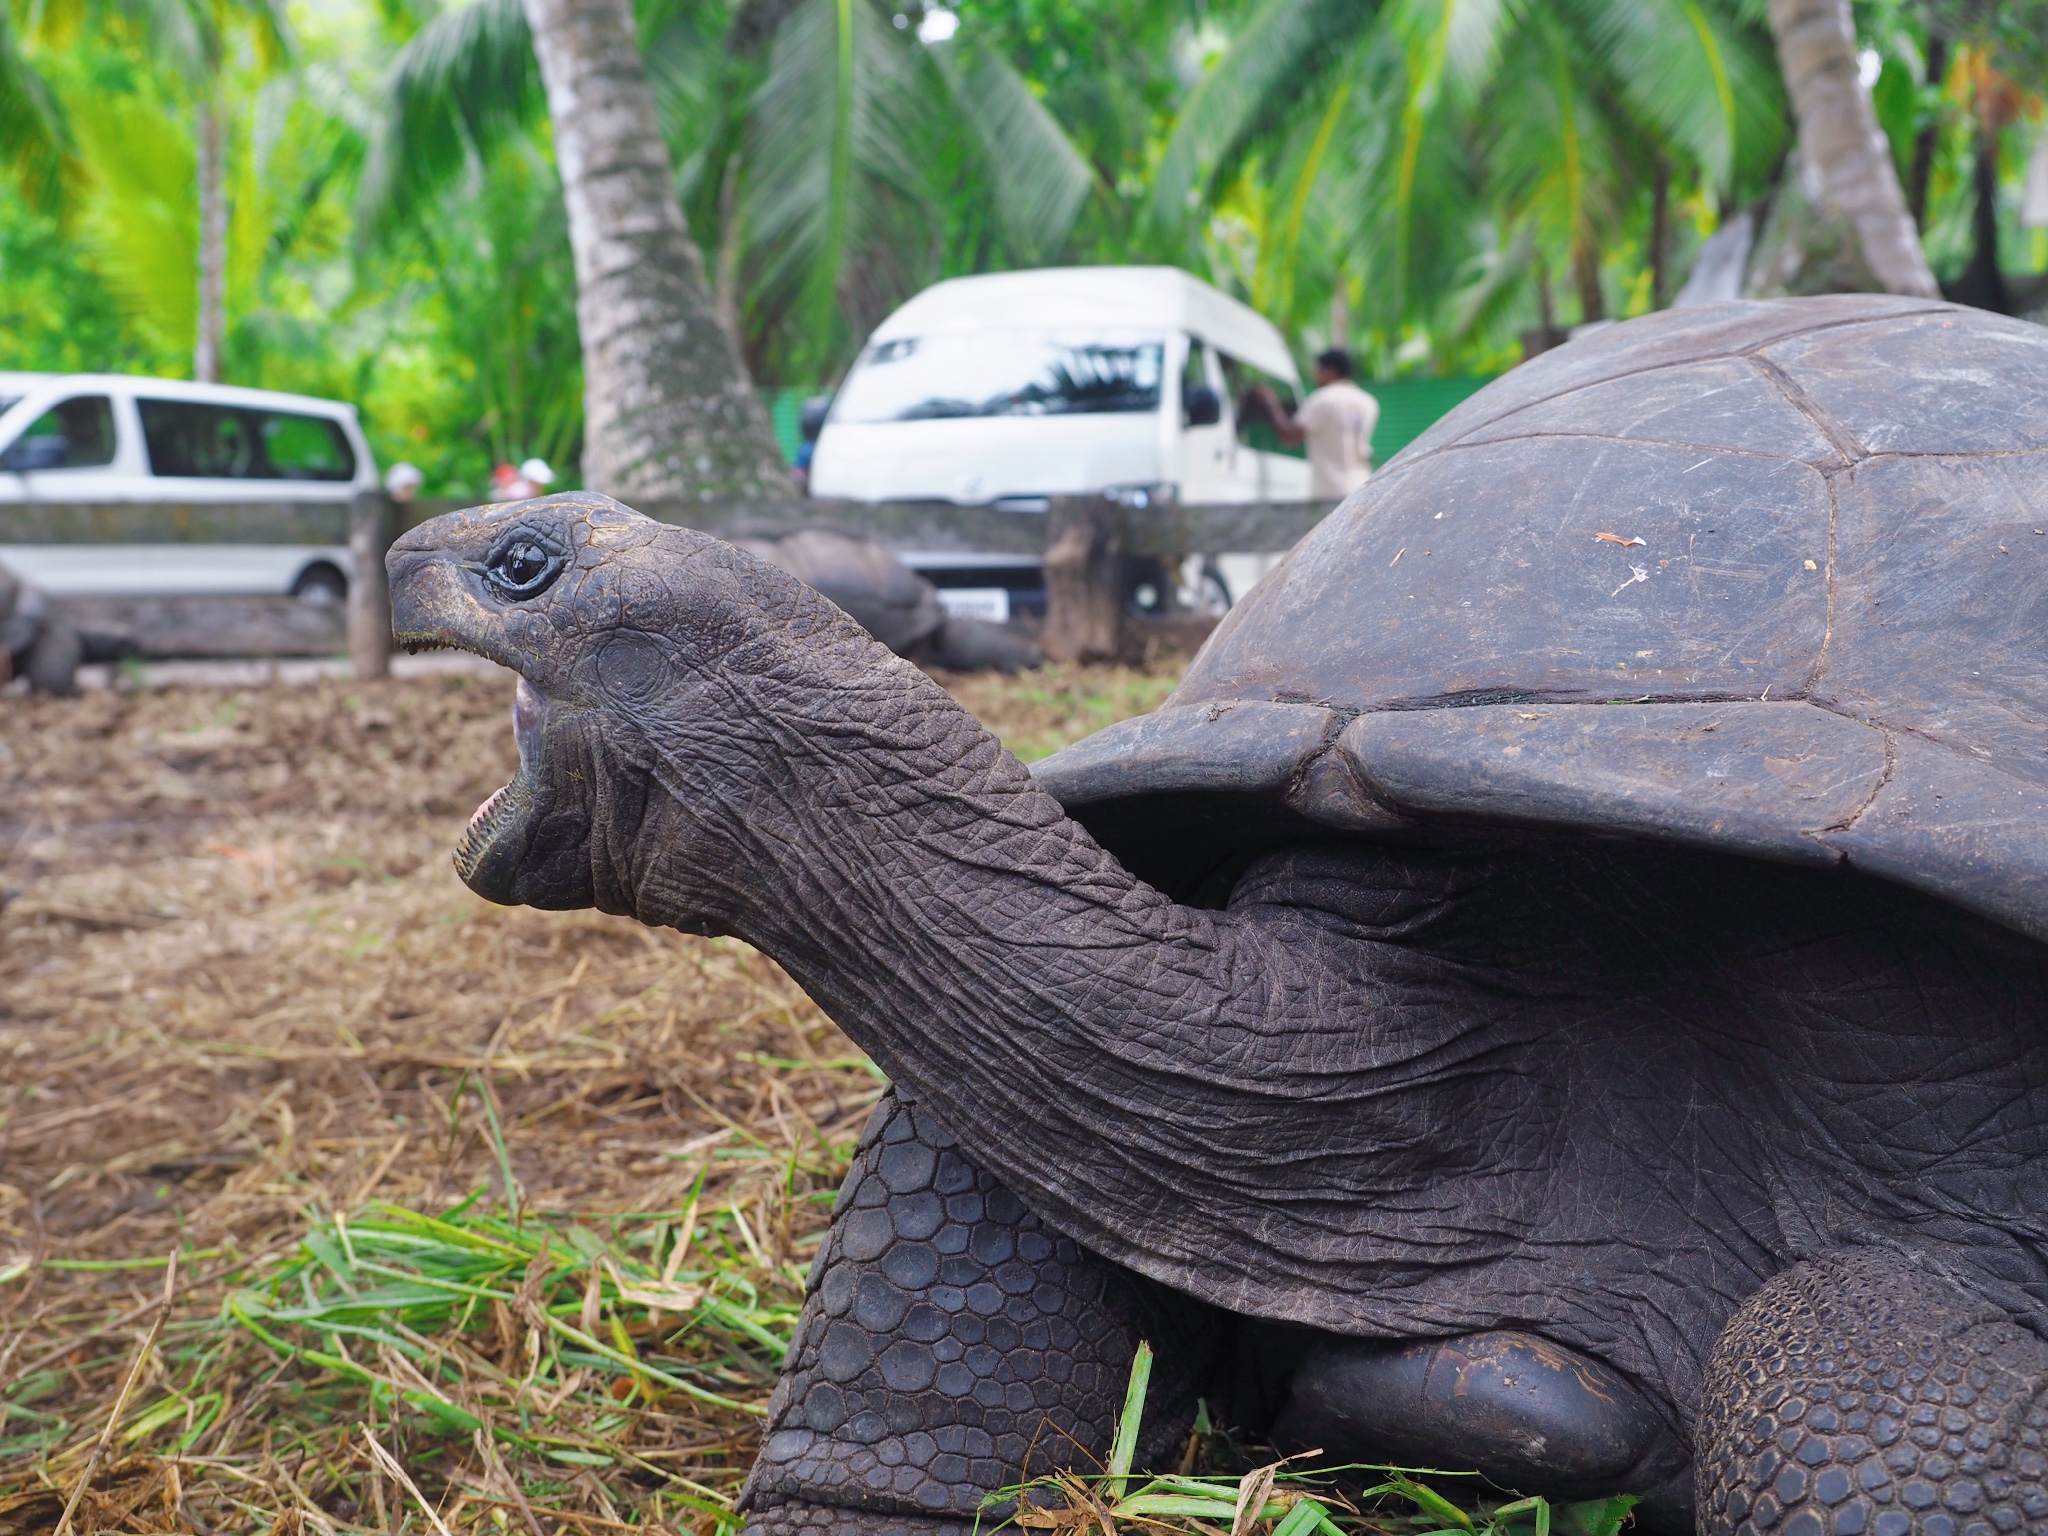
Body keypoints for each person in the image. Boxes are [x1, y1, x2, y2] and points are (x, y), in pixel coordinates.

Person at [1255, 348, 1379, 500]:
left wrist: (1269, 403)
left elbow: (1290, 437)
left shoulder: (1323, 399)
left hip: (1330, 492)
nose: (1315, 376)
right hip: (1360, 488)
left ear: (1330, 371)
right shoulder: (1368, 402)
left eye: (1318, 370)